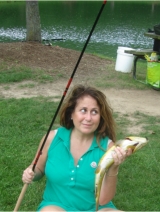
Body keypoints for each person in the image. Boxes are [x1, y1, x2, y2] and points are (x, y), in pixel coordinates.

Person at [22, 84, 132, 211]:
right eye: (83, 110)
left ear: (100, 118)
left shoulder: (108, 148)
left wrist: (114, 167)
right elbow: (38, 169)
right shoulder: (52, 138)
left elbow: (104, 200)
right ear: (71, 113)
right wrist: (31, 172)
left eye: (94, 112)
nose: (88, 118)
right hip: (57, 206)